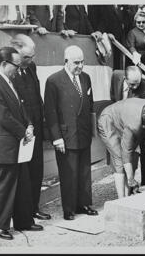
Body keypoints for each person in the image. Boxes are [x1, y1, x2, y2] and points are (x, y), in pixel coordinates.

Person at [0, 34, 51, 221]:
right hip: (17, 133)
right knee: (21, 176)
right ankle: (19, 212)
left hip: (33, 128)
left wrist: (37, 124)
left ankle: (33, 208)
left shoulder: (30, 66)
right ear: (14, 50)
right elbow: (2, 108)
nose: (30, 61)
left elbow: (35, 95)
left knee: (36, 170)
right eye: (26, 57)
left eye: (32, 57)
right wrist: (22, 130)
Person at [44, 45, 98, 220]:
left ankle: (83, 204)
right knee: (68, 173)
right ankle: (69, 209)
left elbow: (90, 106)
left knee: (84, 171)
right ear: (66, 61)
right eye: (76, 63)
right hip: (65, 136)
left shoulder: (86, 78)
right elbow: (50, 112)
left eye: (82, 62)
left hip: (83, 133)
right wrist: (56, 137)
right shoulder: (54, 81)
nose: (80, 66)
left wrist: (92, 130)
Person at [97, 98, 145, 198]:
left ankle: (127, 195)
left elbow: (131, 152)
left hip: (124, 118)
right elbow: (126, 153)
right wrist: (131, 179)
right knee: (119, 159)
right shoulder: (133, 126)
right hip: (108, 121)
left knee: (133, 157)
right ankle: (121, 199)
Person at [110, 66, 145, 185]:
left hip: (140, 124)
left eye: (137, 84)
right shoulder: (116, 76)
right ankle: (127, 183)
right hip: (121, 123)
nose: (135, 87)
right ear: (125, 78)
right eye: (132, 84)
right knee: (124, 152)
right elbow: (113, 96)